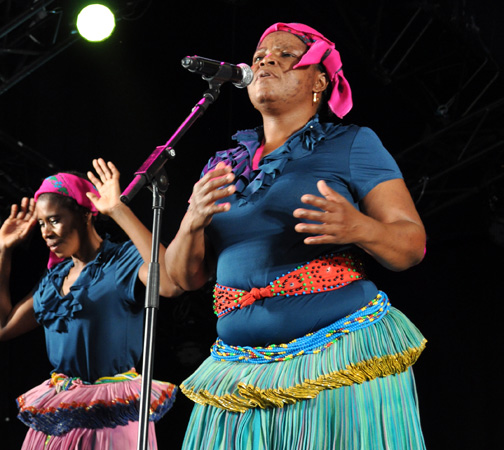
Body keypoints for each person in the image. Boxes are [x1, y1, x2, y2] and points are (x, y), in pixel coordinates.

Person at [165, 22, 428, 449]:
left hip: (336, 359)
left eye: (285, 55)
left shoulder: (352, 143)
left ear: (320, 81)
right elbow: (182, 279)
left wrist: (360, 227)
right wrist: (191, 222)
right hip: (239, 375)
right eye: (259, 56)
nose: (266, 60)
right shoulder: (222, 164)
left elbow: (411, 246)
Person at [0, 158, 183, 449]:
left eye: (54, 220)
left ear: (85, 214)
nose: (46, 232)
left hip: (111, 412)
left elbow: (169, 283)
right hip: (60, 413)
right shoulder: (54, 280)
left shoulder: (122, 261)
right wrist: (2, 251)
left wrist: (118, 210)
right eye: (41, 223)